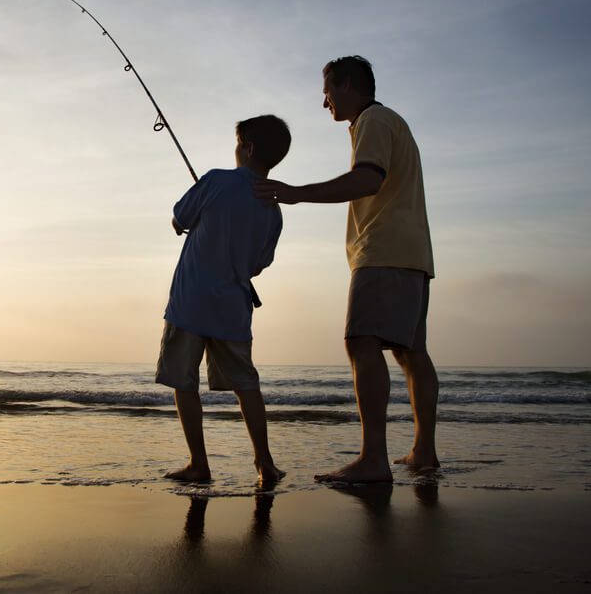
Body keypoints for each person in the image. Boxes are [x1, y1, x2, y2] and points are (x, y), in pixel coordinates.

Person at [254, 56, 439, 484]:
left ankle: (373, 459)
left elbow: (366, 180)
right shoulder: (393, 122)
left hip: (383, 251)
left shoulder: (372, 120)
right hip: (413, 254)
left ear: (349, 85)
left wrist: (296, 193)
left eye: (327, 91)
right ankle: (424, 451)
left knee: (360, 342)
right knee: (410, 353)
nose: (325, 103)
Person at [157, 114, 290, 485]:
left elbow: (178, 217)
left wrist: (187, 222)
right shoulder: (273, 210)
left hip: (190, 302)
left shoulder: (217, 181)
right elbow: (259, 264)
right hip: (233, 307)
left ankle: (199, 464)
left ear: (246, 148)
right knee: (246, 384)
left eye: (237, 144)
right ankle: (264, 462)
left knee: (185, 382)